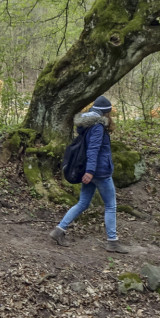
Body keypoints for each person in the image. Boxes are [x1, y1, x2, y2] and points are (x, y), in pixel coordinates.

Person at [49, 95, 129, 253]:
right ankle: (112, 241)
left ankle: (59, 231)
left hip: (91, 171)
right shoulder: (98, 127)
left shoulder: (87, 124)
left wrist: (89, 171)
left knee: (83, 203)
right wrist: (91, 171)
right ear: (105, 113)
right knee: (111, 206)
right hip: (99, 172)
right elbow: (93, 150)